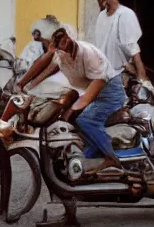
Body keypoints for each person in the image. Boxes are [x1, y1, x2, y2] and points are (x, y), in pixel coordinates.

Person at [19, 25, 125, 174]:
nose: (60, 41)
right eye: (56, 39)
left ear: (69, 37)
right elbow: (46, 67)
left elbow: (90, 94)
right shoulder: (61, 54)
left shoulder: (88, 54)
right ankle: (91, 152)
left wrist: (70, 110)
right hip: (88, 90)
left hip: (109, 92)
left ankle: (111, 158)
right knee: (69, 120)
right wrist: (27, 85)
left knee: (86, 120)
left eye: (62, 36)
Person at [92, 0, 147, 83]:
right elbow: (99, 46)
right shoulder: (101, 16)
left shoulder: (126, 14)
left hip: (122, 73)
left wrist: (141, 74)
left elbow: (132, 47)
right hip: (104, 73)